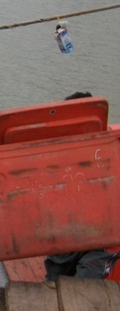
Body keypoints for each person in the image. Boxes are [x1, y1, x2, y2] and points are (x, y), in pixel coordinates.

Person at [44, 91, 118, 280]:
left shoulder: (110, 151)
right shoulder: (54, 157)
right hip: (66, 238)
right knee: (53, 281)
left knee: (84, 286)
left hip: (103, 241)